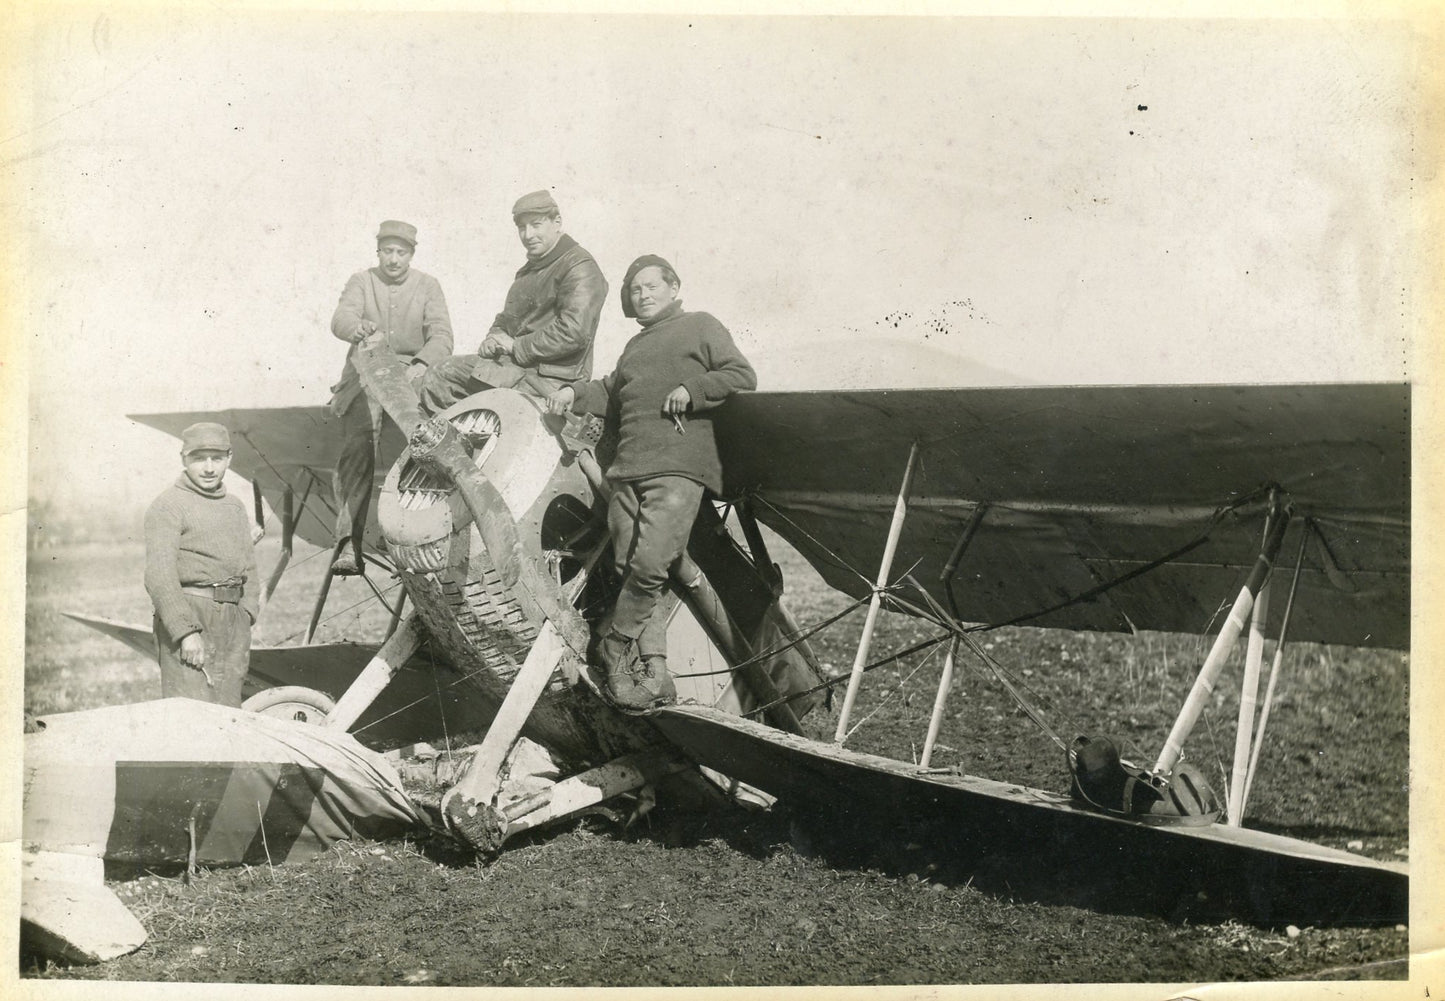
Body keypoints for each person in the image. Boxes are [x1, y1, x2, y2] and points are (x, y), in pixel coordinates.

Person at [548, 255, 756, 711]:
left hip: (678, 467)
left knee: (650, 564)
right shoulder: (635, 346)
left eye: (650, 287)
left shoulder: (701, 325)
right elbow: (608, 390)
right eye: (634, 290)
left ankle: (614, 645)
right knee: (628, 567)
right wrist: (573, 392)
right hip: (627, 471)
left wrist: (694, 390)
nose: (642, 295)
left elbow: (741, 374)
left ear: (673, 286)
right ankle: (656, 673)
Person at [329, 219, 454, 575]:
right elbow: (341, 318)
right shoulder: (361, 281)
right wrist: (358, 327)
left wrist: (421, 365)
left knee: (423, 449)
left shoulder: (429, 286)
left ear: (411, 254)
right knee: (357, 447)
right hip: (366, 373)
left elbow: (442, 336)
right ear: (378, 252)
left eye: (401, 252)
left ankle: (413, 539)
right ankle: (347, 545)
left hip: (411, 377)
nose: (394, 259)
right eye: (387, 251)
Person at [418, 190, 607, 412]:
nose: (528, 235)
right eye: (522, 228)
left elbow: (574, 332)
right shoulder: (530, 270)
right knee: (441, 374)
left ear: (557, 222)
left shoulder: (579, 266)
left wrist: (516, 345)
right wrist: (493, 337)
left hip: (551, 380)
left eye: (536, 225)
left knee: (442, 375)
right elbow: (507, 320)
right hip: (518, 369)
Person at [143, 422, 258, 707]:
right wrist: (186, 631)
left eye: (217, 459)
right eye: (199, 458)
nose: (209, 468)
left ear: (229, 459)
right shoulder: (168, 505)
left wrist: (247, 615)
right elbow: (160, 575)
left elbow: (249, 568)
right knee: (191, 716)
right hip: (192, 615)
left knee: (230, 712)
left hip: (234, 620)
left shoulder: (235, 506)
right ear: (184, 459)